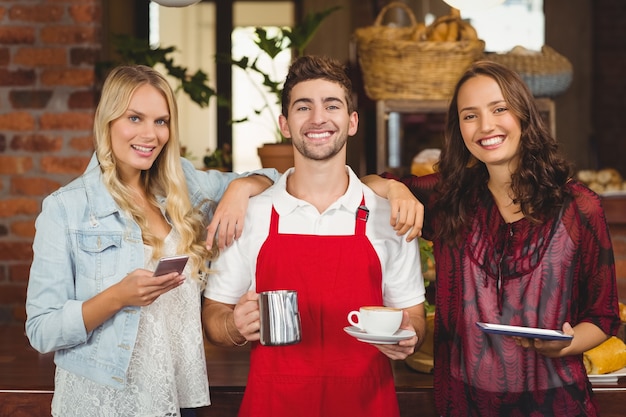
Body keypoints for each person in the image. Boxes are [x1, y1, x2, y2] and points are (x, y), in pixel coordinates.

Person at [364, 60, 621, 416]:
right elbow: (358, 187)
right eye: (470, 116)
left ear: (524, 115)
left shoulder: (579, 207)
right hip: (465, 403)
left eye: (499, 109)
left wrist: (568, 343)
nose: (486, 126)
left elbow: (604, 314)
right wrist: (395, 188)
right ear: (459, 129)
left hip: (557, 402)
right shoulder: (448, 197)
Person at [25, 65, 280, 417]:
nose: (150, 134)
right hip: (104, 403)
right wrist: (118, 297)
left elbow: (279, 178)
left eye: (161, 121)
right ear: (107, 121)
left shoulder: (184, 186)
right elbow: (42, 330)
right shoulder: (66, 209)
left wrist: (241, 187)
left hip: (175, 397)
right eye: (134, 118)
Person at [201, 55, 426, 417]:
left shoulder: (389, 213)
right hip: (273, 404)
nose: (318, 118)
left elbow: (414, 317)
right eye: (303, 107)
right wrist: (233, 326)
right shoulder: (251, 211)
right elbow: (214, 315)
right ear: (285, 124)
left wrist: (408, 338)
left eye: (331, 105)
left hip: (367, 405)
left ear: (351, 122)